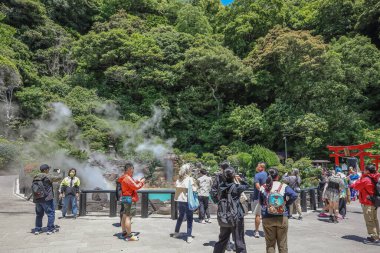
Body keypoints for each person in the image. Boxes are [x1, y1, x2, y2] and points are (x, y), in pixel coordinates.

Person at [259, 168, 297, 253]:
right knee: (282, 244)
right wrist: (286, 204)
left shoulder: (263, 187)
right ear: (278, 176)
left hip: (267, 217)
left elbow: (261, 202)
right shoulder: (283, 186)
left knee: (270, 244)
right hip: (282, 216)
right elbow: (294, 195)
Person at [213, 167, 249, 253]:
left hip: (224, 215)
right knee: (239, 240)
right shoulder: (237, 187)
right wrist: (240, 179)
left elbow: (214, 195)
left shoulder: (220, 187)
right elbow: (247, 185)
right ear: (233, 176)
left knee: (222, 239)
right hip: (236, 216)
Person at [351, 164, 380, 243]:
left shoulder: (366, 179)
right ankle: (377, 235)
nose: (363, 170)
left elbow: (355, 186)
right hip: (374, 202)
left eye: (365, 169)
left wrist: (358, 179)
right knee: (374, 219)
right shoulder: (376, 177)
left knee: (369, 220)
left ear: (367, 171)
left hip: (367, 202)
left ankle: (374, 238)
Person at [211, 161, 236, 251]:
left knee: (225, 223)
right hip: (234, 204)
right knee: (235, 223)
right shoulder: (233, 175)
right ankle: (235, 244)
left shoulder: (219, 177)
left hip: (223, 204)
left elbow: (213, 190)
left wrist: (217, 201)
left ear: (222, 168)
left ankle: (227, 244)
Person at [32, 164, 62, 235]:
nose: (49, 170)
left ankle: (37, 229)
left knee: (39, 215)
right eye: (48, 169)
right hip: (47, 199)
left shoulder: (36, 176)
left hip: (38, 199)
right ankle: (50, 229)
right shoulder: (48, 176)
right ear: (45, 170)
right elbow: (59, 178)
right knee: (51, 214)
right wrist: (58, 172)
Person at [120, 162, 145, 241]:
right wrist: (142, 182)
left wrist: (137, 181)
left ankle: (124, 232)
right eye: (132, 170)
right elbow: (136, 187)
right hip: (129, 199)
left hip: (125, 198)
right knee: (128, 217)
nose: (133, 171)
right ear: (129, 169)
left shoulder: (125, 177)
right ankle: (129, 236)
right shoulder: (127, 178)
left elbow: (131, 185)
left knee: (124, 215)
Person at [173, 163, 197, 243]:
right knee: (190, 218)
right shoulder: (190, 179)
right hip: (188, 200)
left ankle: (176, 233)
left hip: (180, 200)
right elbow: (194, 189)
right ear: (188, 170)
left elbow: (176, 187)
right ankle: (189, 236)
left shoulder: (178, 179)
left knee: (181, 216)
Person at [251, 162, 268, 238]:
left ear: (262, 167)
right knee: (265, 215)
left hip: (258, 197)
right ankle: (265, 232)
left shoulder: (257, 175)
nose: (257, 167)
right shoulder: (268, 175)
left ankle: (257, 231)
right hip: (267, 197)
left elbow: (258, 186)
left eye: (258, 166)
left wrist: (262, 191)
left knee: (258, 215)